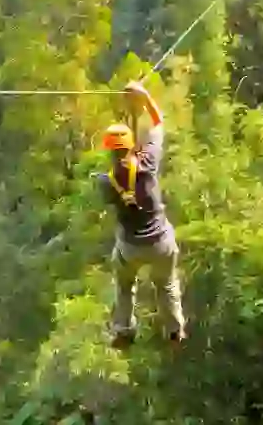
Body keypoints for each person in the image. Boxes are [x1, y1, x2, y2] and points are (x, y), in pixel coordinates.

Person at [97, 80, 186, 347]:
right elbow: (158, 123)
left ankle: (124, 330)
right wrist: (144, 97)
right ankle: (174, 331)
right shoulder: (148, 161)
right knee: (167, 284)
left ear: (110, 150)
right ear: (131, 145)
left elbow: (117, 188)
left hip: (131, 247)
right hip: (160, 241)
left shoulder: (105, 181)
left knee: (124, 285)